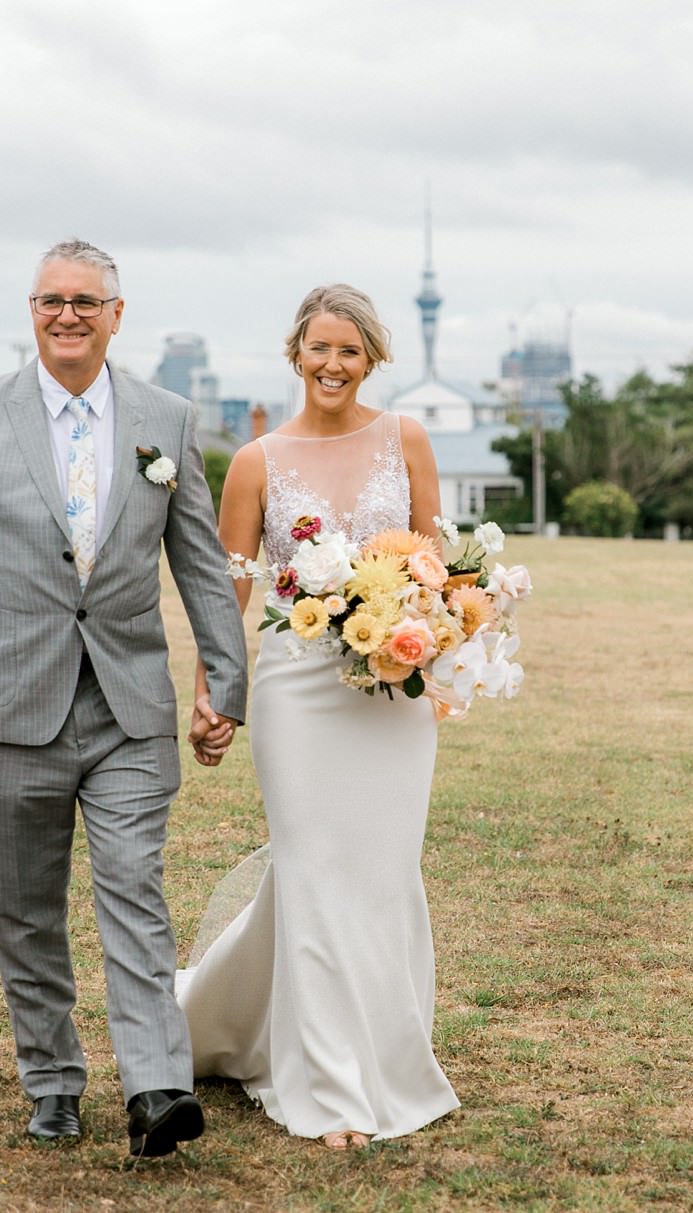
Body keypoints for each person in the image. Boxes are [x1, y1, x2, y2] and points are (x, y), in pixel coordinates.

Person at [0, 239, 249, 1158]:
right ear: (32, 311)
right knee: (25, 907)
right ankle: (53, 1080)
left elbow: (201, 565)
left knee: (136, 891)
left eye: (86, 301)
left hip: (129, 708)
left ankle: (156, 1089)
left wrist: (225, 682)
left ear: (116, 313)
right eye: (51, 300)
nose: (68, 314)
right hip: (9, 706)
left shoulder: (167, 419)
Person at [177, 284, 460, 1149]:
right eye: (318, 347)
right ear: (295, 352)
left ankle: (383, 1056)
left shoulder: (406, 438)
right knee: (310, 868)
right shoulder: (256, 461)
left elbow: (437, 566)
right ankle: (334, 1091)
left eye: (349, 350)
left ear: (371, 357)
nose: (332, 364)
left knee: (378, 872)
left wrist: (434, 629)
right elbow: (225, 588)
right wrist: (211, 689)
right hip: (296, 692)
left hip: (391, 693)